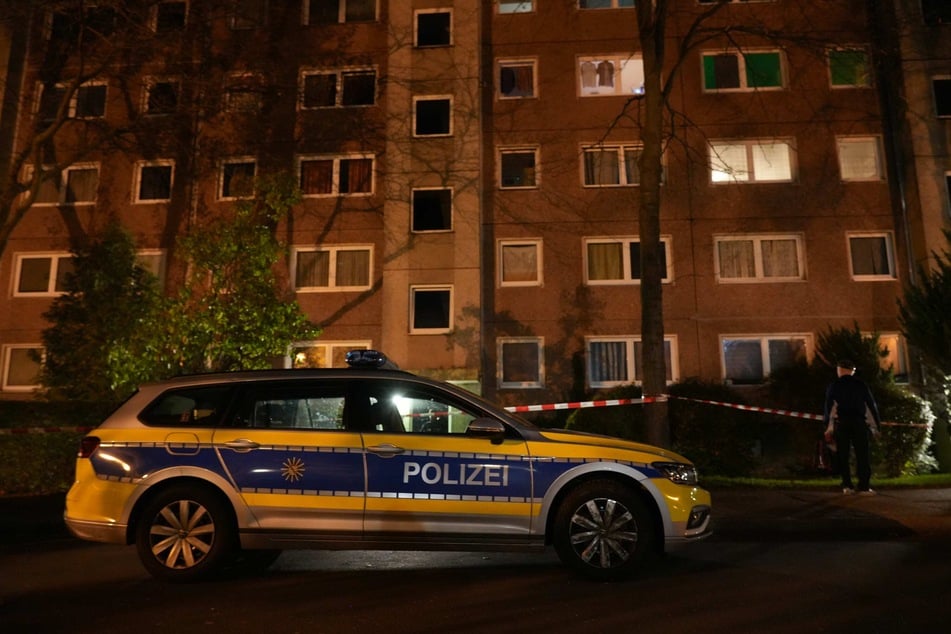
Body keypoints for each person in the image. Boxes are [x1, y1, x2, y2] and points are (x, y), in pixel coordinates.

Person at [823, 359, 882, 495]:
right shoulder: (860, 385)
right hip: (859, 423)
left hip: (842, 423)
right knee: (862, 454)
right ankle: (864, 486)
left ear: (840, 370)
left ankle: (847, 485)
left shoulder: (834, 386)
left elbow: (830, 408)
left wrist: (829, 427)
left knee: (843, 454)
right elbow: (870, 407)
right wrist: (875, 427)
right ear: (852, 371)